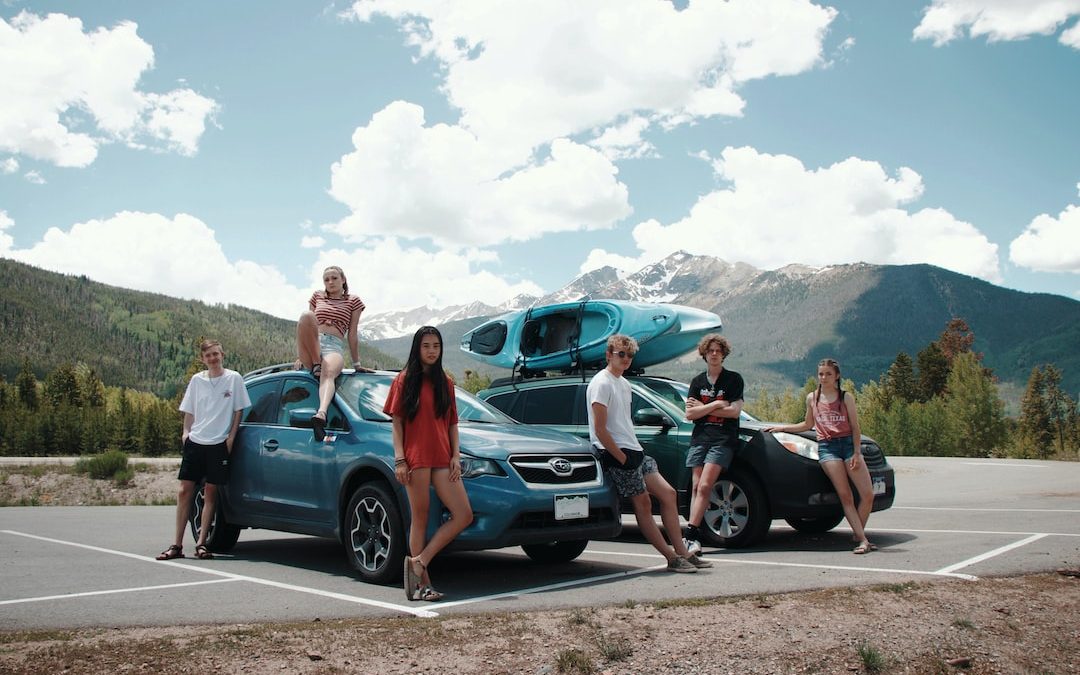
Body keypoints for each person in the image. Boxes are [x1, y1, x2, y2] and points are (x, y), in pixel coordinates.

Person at [588, 334, 710, 573]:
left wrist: (633, 453)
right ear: (608, 355)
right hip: (617, 453)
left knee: (668, 494)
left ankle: (683, 553)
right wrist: (621, 458)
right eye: (620, 354)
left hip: (635, 451)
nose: (625, 359)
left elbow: (623, 422)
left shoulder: (623, 383)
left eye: (630, 355)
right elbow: (600, 430)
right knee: (642, 502)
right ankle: (671, 558)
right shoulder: (601, 383)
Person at [383, 326, 473, 601]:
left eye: (436, 346)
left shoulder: (445, 382)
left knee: (463, 515)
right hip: (416, 458)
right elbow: (396, 423)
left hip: (443, 458)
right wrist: (400, 459)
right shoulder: (404, 379)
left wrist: (456, 455)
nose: (432, 350)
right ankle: (423, 585)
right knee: (420, 518)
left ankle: (419, 561)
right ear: (417, 349)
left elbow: (452, 423)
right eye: (426, 346)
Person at [765, 358, 876, 554]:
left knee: (867, 494)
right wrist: (783, 428)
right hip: (828, 448)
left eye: (828, 374)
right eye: (821, 374)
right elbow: (807, 424)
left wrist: (857, 452)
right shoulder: (812, 398)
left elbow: (855, 427)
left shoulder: (845, 397)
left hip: (849, 445)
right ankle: (863, 540)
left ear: (837, 376)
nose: (824, 378)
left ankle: (858, 534)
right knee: (846, 496)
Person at [156, 339, 251, 561]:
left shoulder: (234, 378)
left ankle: (201, 544)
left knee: (210, 492)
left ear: (222, 354)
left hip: (218, 443)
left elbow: (239, 411)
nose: (213, 358)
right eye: (208, 355)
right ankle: (176, 545)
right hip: (196, 442)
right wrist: (185, 434)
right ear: (203, 359)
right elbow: (189, 410)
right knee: (184, 491)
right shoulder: (197, 380)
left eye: (216, 354)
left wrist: (231, 437)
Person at [682, 334, 743, 554]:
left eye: (718, 350)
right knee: (697, 486)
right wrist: (718, 404)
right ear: (704, 354)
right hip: (700, 438)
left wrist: (704, 407)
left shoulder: (734, 379)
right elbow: (689, 413)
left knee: (706, 485)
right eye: (710, 351)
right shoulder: (698, 382)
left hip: (722, 439)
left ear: (723, 353)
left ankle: (690, 533)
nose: (714, 354)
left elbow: (735, 412)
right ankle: (692, 538)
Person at [295, 265, 365, 441]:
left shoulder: (353, 301)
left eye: (334, 278)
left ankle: (321, 414)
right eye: (326, 279)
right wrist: (300, 356)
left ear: (343, 279)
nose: (330, 282)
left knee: (328, 374)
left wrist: (357, 364)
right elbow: (307, 327)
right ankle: (315, 362)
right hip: (312, 346)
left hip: (333, 346)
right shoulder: (317, 296)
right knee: (306, 316)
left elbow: (353, 334)